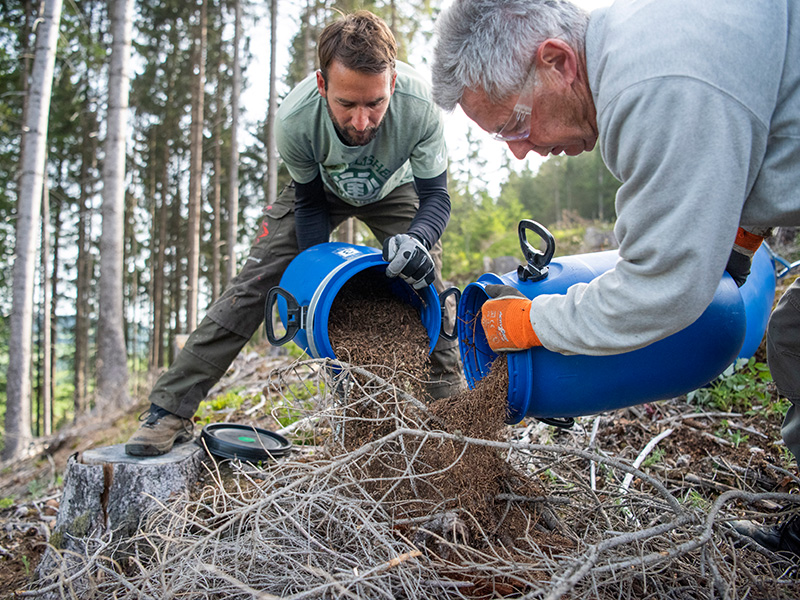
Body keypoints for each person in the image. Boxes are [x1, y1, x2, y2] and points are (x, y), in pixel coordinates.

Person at [431, 0, 800, 557]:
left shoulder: (653, 88)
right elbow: (762, 132)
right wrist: (742, 234)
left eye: (516, 124)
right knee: (795, 341)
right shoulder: (641, 51)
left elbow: (661, 288)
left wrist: (534, 320)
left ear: (557, 61)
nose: (522, 152)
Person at [126, 10, 465, 457]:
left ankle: (452, 413)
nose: (362, 122)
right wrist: (320, 276)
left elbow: (436, 199)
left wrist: (417, 241)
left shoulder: (421, 108)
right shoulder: (297, 118)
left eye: (375, 104)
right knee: (253, 286)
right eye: (347, 104)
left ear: (393, 83)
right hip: (321, 189)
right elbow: (308, 204)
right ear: (323, 85)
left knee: (425, 283)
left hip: (396, 189)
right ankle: (169, 408)